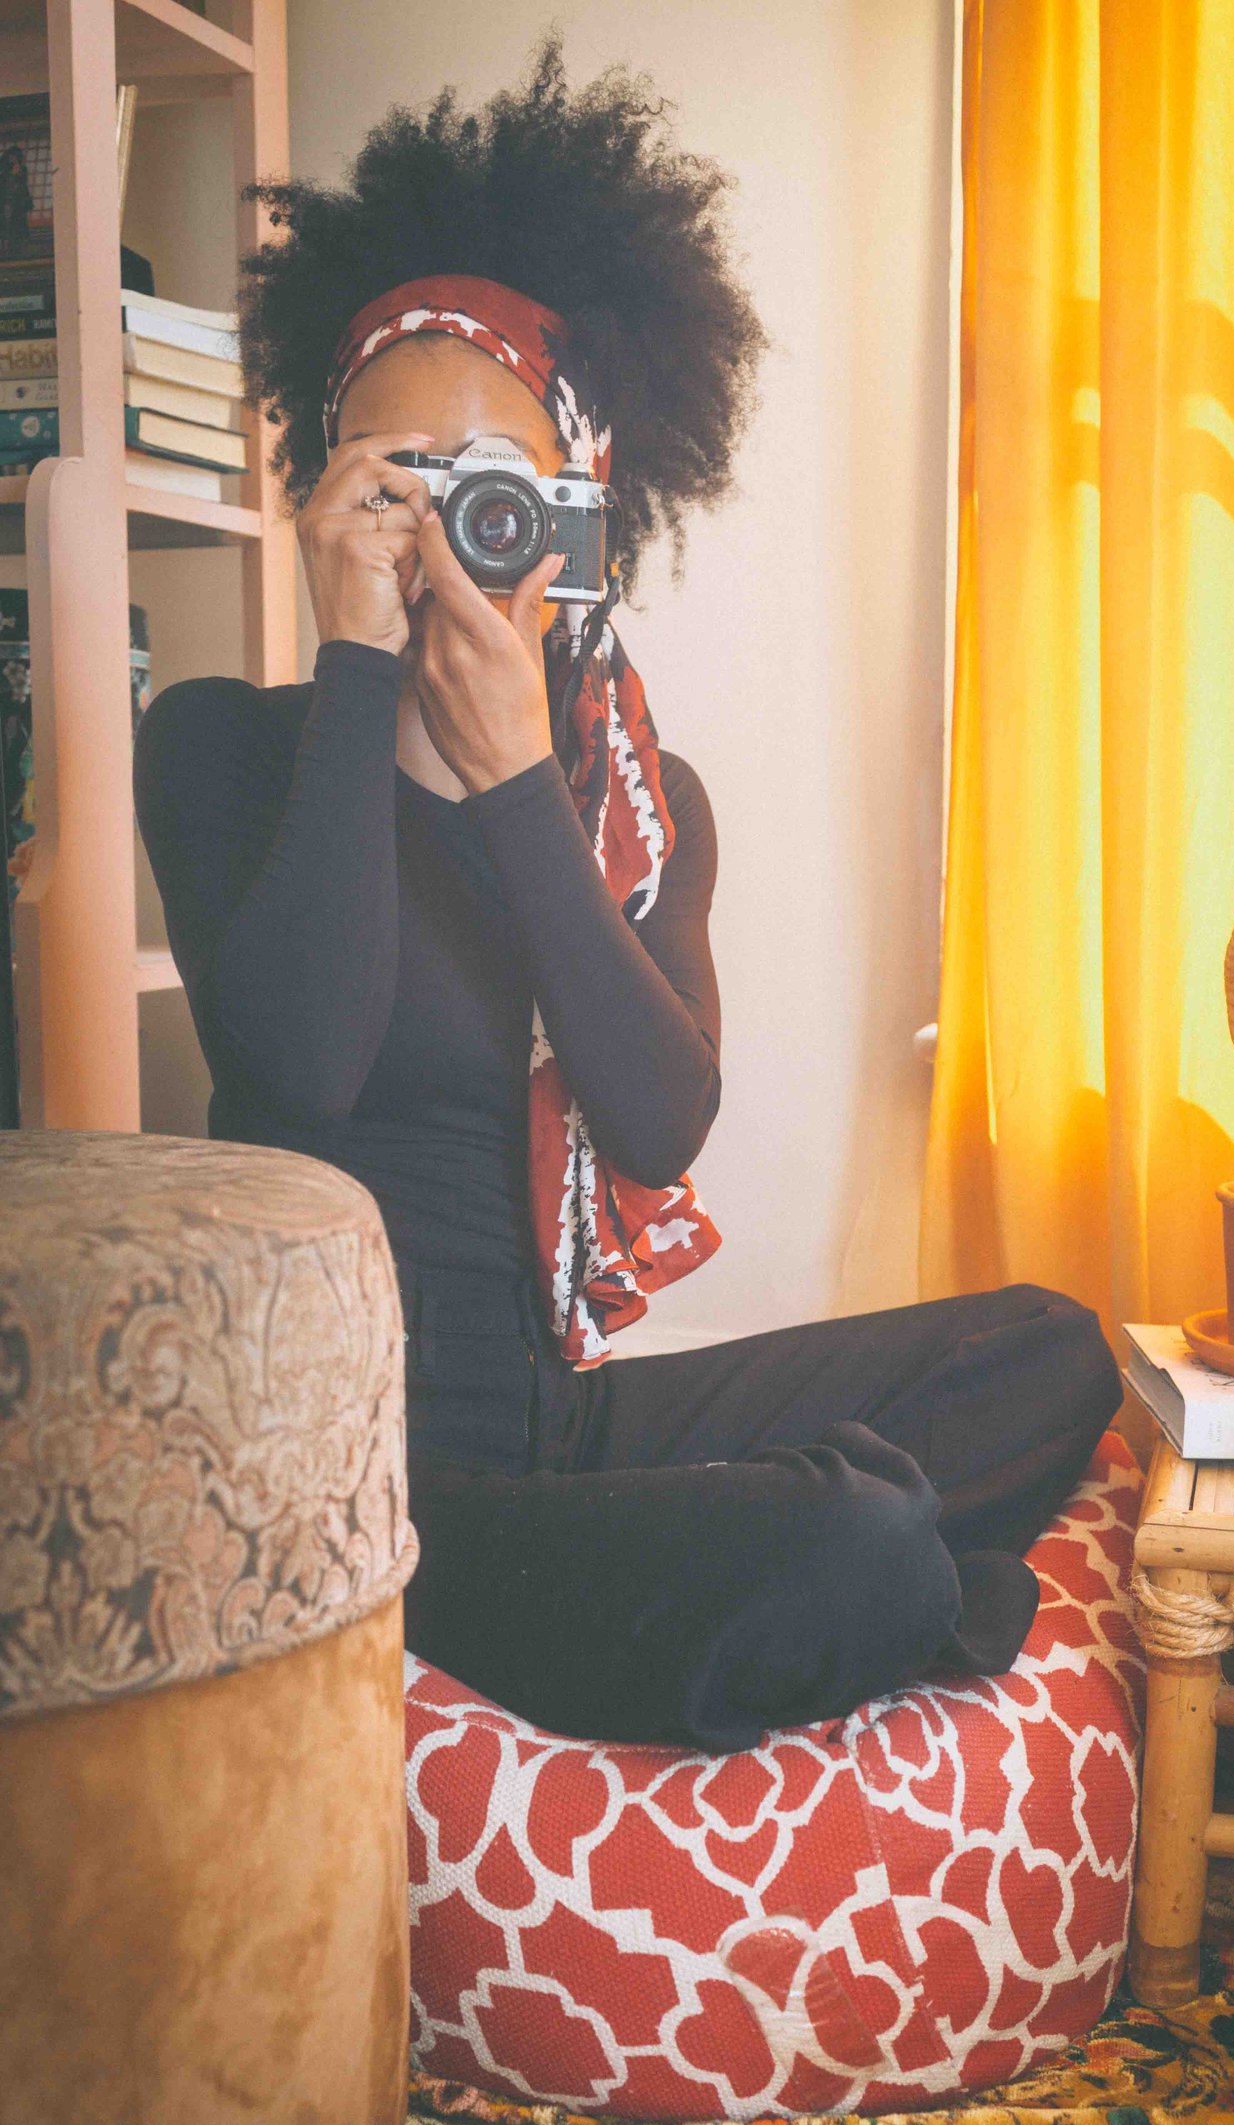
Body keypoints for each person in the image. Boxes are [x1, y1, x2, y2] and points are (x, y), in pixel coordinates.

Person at [133, 42, 1122, 1755]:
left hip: (550, 1420)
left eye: (488, 489)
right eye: (393, 483)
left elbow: (659, 1126)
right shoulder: (225, 748)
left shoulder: (638, 816)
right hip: (354, 1477)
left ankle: (754, 1570)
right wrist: (362, 680)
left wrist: (521, 781)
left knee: (1051, 1352)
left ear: (580, 512)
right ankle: (827, 1566)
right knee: (862, 1537)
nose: (442, 534)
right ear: (319, 501)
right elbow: (295, 1068)